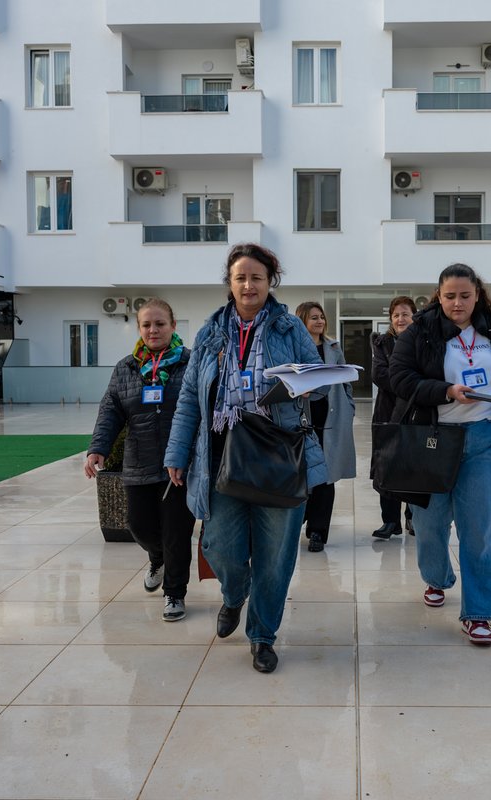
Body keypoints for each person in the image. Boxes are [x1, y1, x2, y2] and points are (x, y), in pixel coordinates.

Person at [164, 243, 326, 674]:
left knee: (276, 557)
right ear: (230, 283)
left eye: (257, 277)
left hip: (278, 454)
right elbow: (189, 399)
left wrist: (306, 384)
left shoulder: (290, 328)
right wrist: (177, 451)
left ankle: (262, 635)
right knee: (219, 546)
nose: (249, 285)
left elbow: (320, 380)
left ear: (271, 281)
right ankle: (235, 594)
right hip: (223, 456)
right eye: (241, 277)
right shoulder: (210, 333)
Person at [389, 263, 491, 646]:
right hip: (433, 441)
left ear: (478, 295)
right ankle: (437, 577)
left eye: (465, 295)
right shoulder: (420, 333)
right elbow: (399, 377)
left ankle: (478, 613)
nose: (457, 303)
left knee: (481, 529)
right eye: (450, 296)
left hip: (486, 440)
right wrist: (445, 391)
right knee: (429, 524)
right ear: (438, 296)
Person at [85, 298, 195, 622]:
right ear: (139, 328)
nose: (153, 330)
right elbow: (110, 410)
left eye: (160, 324)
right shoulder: (127, 368)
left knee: (177, 532)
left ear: (173, 326)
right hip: (139, 460)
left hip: (180, 464)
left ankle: (175, 592)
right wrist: (98, 447)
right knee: (139, 525)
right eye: (146, 324)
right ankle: (157, 557)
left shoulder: (190, 363)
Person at [295, 301, 356, 553]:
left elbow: (345, 381)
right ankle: (300, 519)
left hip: (330, 418)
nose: (320, 321)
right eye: (314, 317)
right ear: (302, 321)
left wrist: (349, 406)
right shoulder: (294, 347)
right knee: (304, 473)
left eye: (321, 317)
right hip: (302, 419)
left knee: (326, 476)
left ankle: (318, 531)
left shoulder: (333, 347)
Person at [369, 295, 416, 540]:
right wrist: (409, 384)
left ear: (414, 317)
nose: (400, 319)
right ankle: (390, 521)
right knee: (386, 466)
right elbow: (379, 374)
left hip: (415, 412)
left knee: (414, 467)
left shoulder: (422, 341)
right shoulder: (382, 343)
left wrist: (404, 383)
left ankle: (412, 517)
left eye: (405, 314)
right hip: (387, 412)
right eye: (396, 315)